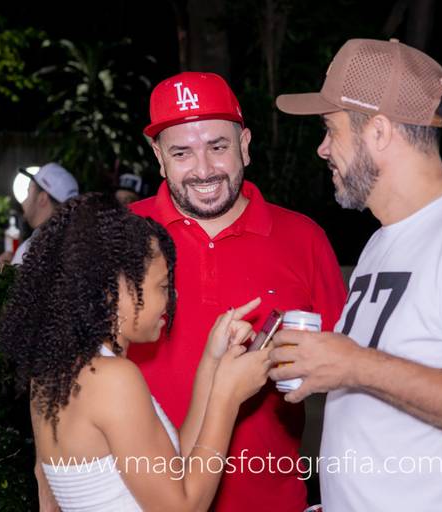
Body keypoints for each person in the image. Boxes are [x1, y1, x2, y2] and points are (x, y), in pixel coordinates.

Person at [271, 38, 442, 511]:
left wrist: (357, 365)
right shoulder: (383, 240)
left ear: (378, 131)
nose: (322, 148)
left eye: (331, 129)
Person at [128, 71, 346, 511]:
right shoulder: (120, 238)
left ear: (244, 144)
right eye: (182, 152)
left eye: (218, 147)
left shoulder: (303, 239)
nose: (203, 170)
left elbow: (351, 377)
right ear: (158, 156)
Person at [0, 193, 271, 511]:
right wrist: (227, 398)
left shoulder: (58, 370)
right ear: (114, 291)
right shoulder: (111, 379)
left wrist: (212, 362)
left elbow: (173, 468)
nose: (172, 299)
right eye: (163, 286)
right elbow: (184, 508)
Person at [0, 162, 79, 266]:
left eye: (28, 191)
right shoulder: (76, 246)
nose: (23, 201)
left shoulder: (32, 250)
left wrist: (6, 271)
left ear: (42, 198)